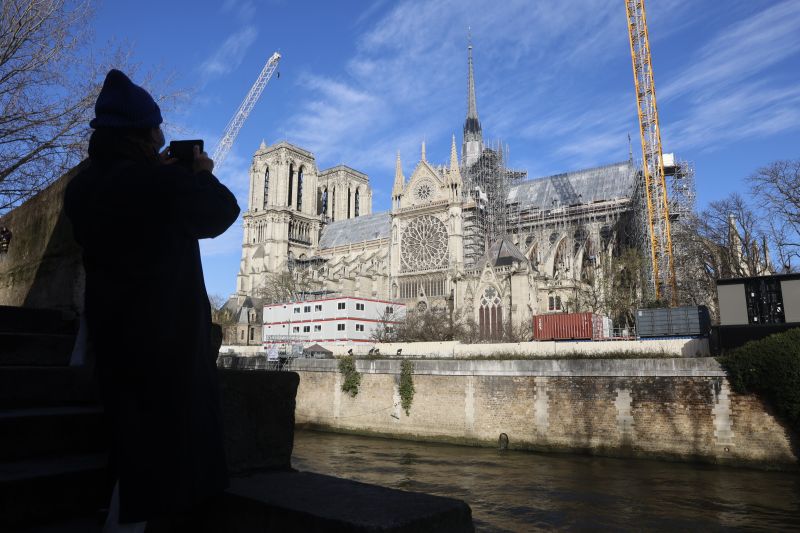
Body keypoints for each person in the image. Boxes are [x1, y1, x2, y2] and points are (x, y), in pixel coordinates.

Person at [64, 69, 240, 531]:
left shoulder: (81, 188)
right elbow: (221, 212)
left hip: (111, 330)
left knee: (128, 438)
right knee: (168, 457)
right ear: (143, 133)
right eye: (157, 127)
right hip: (163, 336)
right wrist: (200, 175)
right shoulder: (157, 185)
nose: (164, 135)